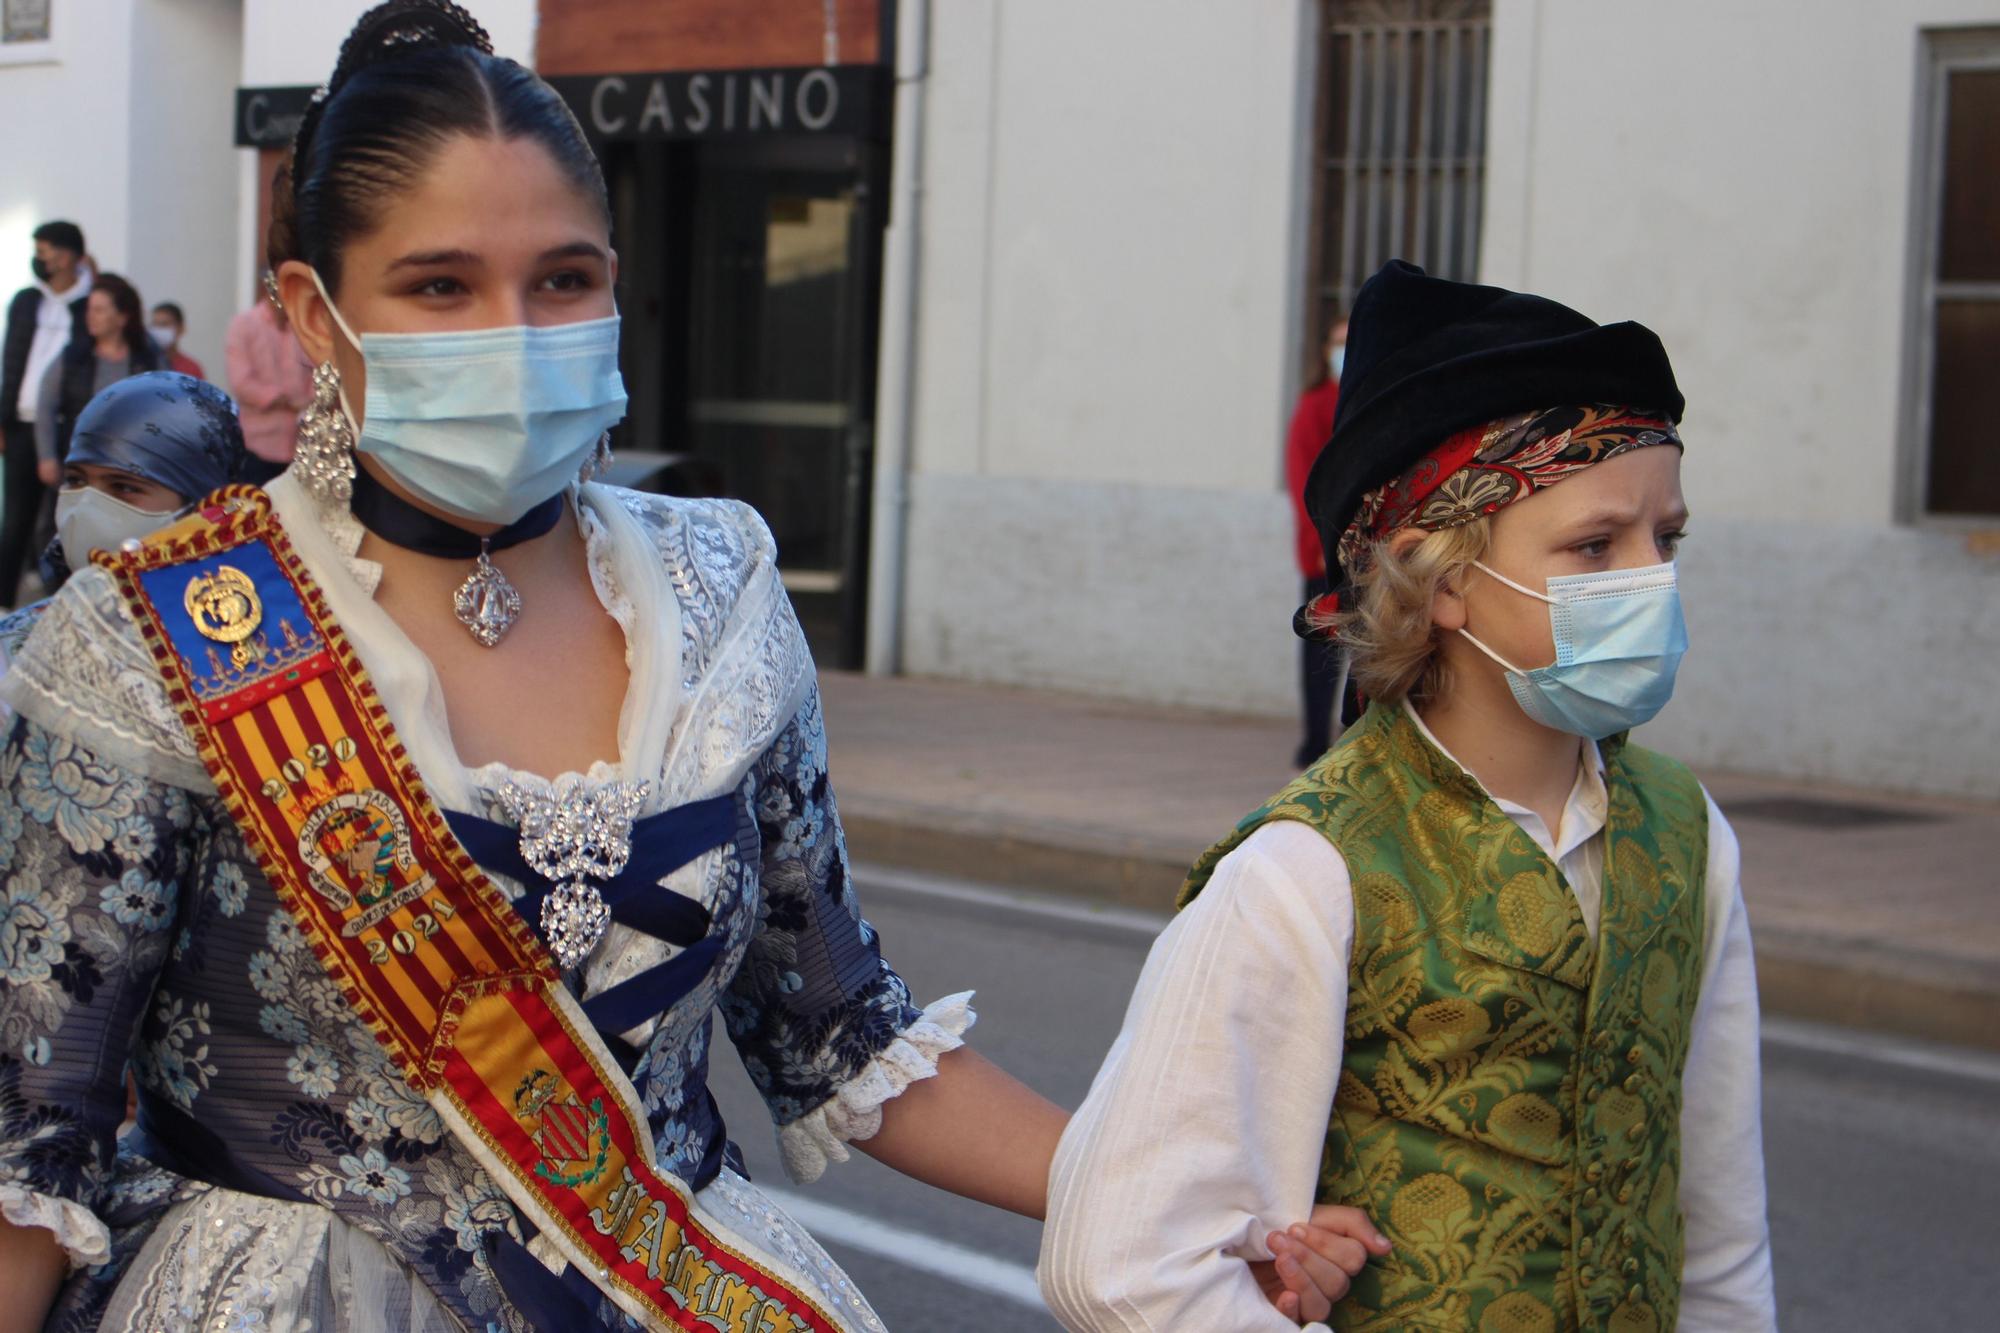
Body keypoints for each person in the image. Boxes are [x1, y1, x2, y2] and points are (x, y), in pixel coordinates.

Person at [0, 7, 1357, 1330]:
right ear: (312, 308)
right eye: (440, 285)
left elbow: (837, 1032)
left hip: (676, 1283)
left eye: (564, 279)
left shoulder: (716, 592)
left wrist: (1180, 1208)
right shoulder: (151, 638)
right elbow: (27, 1149)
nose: (517, 332)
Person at [1041, 261, 1777, 1331]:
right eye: (1592, 545)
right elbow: (1118, 1259)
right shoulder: (1308, 869)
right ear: (1438, 579)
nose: (1647, 579)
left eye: (1664, 539)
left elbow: (1716, 1233)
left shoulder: (1683, 833)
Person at [0, 370, 247, 713]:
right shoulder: (15, 650)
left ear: (200, 507)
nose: (85, 507)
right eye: (75, 480)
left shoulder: (244, 660)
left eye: (124, 487)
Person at [0, 220, 91, 606]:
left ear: (69, 256)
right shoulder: (26, 300)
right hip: (22, 423)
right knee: (16, 516)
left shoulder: (88, 303)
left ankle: (61, 601)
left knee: (62, 520)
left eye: (47, 250)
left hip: (65, 426)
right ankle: (6, 599)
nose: (42, 259)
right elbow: (12, 359)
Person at [1285, 312, 1355, 766]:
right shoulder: (1315, 405)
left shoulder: (1372, 400)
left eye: (1348, 342)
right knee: (1321, 658)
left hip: (1376, 555)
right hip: (1325, 555)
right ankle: (1315, 742)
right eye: (1335, 341)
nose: (1341, 351)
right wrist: (1323, 545)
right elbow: (1302, 481)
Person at [33, 272, 163, 475]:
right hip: (79, 458)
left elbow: (164, 406)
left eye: (99, 310)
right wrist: (47, 457)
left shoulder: (146, 358)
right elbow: (45, 405)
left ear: (122, 317)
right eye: (90, 309)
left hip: (133, 462)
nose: (90, 316)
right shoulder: (74, 356)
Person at [225, 275, 314, 485]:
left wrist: (310, 400)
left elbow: (320, 373)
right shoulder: (244, 325)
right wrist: (288, 401)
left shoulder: (306, 327)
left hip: (302, 448)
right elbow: (242, 383)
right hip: (257, 447)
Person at [147, 301, 208, 380]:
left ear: (181, 328)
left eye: (164, 324)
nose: (158, 330)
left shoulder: (191, 368)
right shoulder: (143, 365)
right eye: (155, 324)